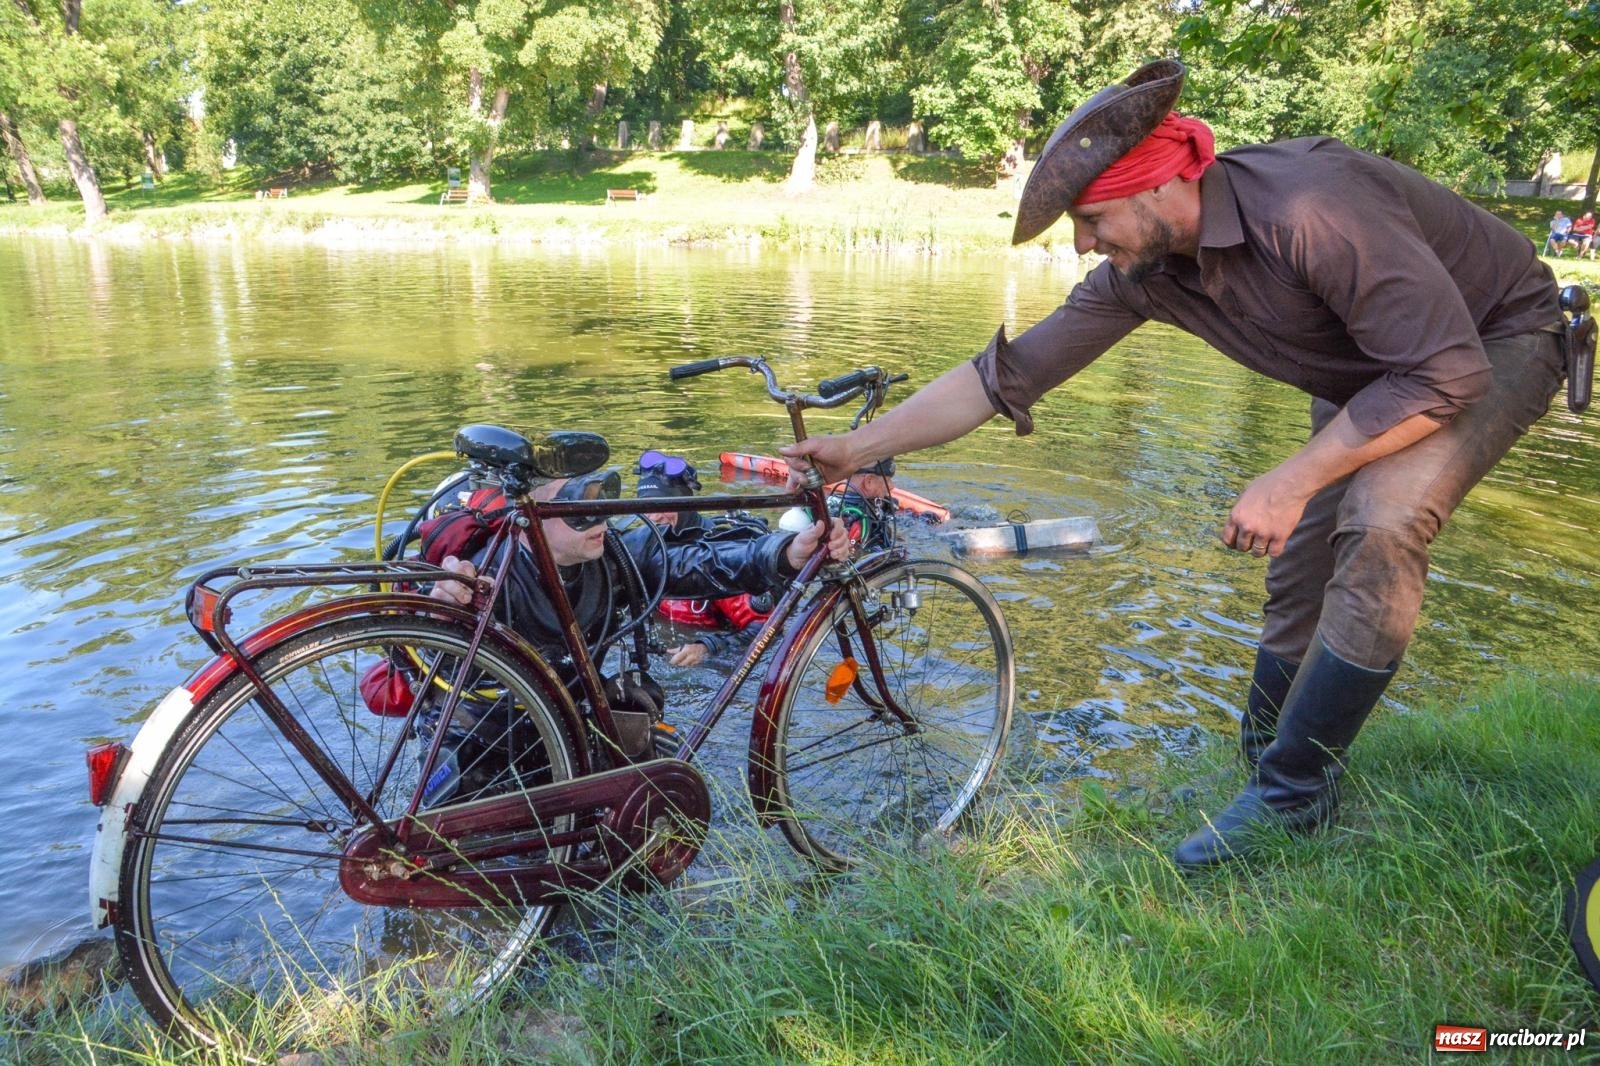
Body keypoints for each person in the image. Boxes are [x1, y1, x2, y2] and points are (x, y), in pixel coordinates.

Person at [782, 59, 1565, 870]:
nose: (1084, 243)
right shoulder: (1146, 274)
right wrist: (853, 453)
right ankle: (1268, 761)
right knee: (1302, 563)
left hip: (1489, 339)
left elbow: (1445, 372)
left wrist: (1290, 479)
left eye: (1091, 219)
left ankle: (1290, 798)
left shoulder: (1309, 208)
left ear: (1156, 189)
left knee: (1382, 522)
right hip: (1378, 367)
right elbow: (1002, 379)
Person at [419, 467, 848, 798]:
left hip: (567, 726)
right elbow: (430, 610)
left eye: (602, 498)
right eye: (578, 505)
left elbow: (703, 562)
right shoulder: (486, 571)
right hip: (478, 741)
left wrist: (786, 553)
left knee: (662, 771)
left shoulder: (615, 556)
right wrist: (439, 605)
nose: (597, 518)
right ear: (527, 517)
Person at [633, 450, 776, 668]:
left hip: (713, 662)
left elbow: (768, 629)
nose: (653, 517)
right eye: (646, 507)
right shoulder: (642, 549)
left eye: (663, 505)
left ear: (685, 504)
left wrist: (708, 647)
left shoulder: (717, 554)